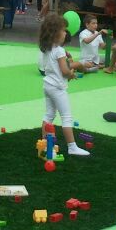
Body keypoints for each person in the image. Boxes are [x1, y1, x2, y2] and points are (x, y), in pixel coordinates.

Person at [38, 14, 89, 156]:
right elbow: (65, 71)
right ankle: (72, 147)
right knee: (66, 117)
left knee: (49, 115)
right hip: (57, 88)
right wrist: (72, 72)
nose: (66, 33)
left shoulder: (47, 48)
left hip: (47, 85)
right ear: (55, 33)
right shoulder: (59, 51)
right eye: (63, 30)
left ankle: (44, 142)